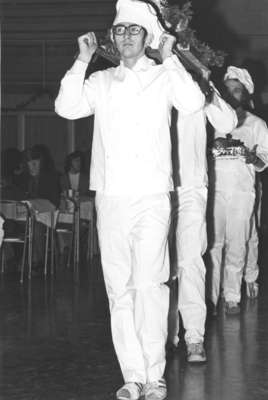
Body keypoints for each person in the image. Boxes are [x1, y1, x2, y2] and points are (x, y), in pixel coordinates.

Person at [55, 0, 205, 398]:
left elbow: (193, 103)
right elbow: (66, 107)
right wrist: (82, 59)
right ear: (112, 38)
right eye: (120, 31)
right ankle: (133, 376)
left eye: (133, 30)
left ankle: (154, 376)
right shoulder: (101, 81)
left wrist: (172, 59)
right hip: (112, 197)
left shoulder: (163, 75)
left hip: (153, 195)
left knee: (150, 285)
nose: (125, 37)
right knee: (119, 289)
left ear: (147, 37)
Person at [168, 85, 237, 362]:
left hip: (191, 187)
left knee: (190, 260)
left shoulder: (194, 82)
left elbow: (227, 122)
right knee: (157, 264)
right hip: (151, 185)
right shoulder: (146, 74)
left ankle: (194, 335)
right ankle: (165, 332)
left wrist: (206, 88)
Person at [208, 66, 268, 315]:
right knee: (213, 244)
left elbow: (264, 160)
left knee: (237, 243)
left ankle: (232, 295)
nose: (233, 95)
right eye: (228, 90)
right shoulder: (212, 119)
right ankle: (211, 298)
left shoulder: (256, 124)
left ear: (245, 94)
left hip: (242, 192)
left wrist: (251, 157)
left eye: (237, 90)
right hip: (215, 190)